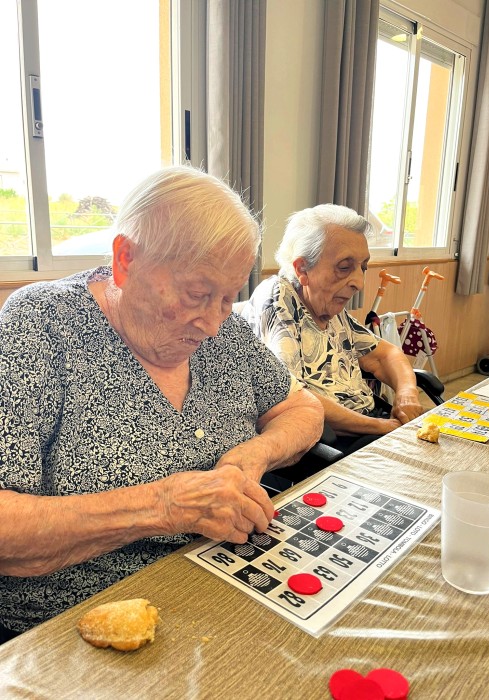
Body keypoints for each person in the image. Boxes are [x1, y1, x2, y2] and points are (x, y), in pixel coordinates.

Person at [0, 166, 324, 640]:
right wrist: (163, 505)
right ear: (126, 260)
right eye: (197, 294)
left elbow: (303, 409)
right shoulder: (40, 325)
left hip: (227, 588)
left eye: (227, 298)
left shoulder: (225, 332)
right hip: (80, 624)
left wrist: (258, 452)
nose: (213, 324)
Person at [241, 203, 424, 456]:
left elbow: (385, 355)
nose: (359, 283)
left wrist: (407, 394)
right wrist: (381, 427)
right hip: (332, 442)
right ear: (302, 269)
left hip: (369, 424)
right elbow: (293, 395)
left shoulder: (328, 305)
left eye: (362, 267)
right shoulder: (279, 299)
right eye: (344, 267)